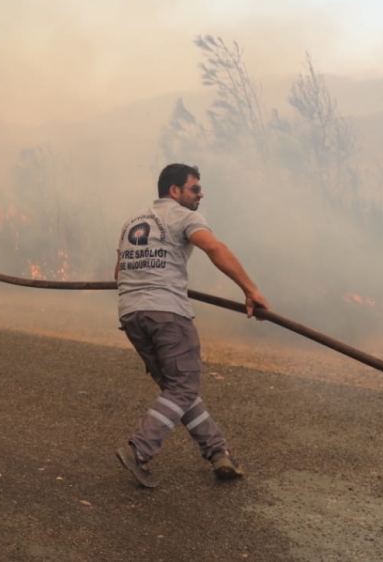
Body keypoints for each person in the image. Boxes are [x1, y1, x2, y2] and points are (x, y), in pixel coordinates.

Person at [114, 163, 271, 488]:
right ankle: (139, 451)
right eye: (195, 188)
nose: (201, 194)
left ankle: (218, 453)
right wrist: (251, 290)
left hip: (132, 315)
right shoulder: (183, 216)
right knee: (183, 388)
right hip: (167, 314)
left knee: (178, 390)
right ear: (175, 191)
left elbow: (119, 273)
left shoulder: (134, 221)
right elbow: (214, 247)